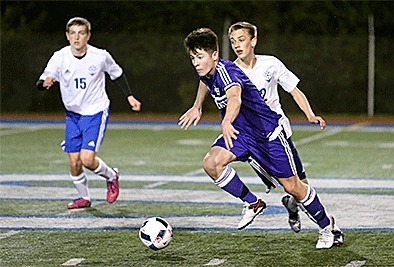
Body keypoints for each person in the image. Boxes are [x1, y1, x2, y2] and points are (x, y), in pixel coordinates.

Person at [179, 27, 338, 249]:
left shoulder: (229, 71)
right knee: (211, 163)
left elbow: (235, 97)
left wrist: (226, 121)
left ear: (214, 55)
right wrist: (197, 107)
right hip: (242, 134)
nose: (196, 62)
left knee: (294, 187)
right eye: (193, 58)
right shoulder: (205, 70)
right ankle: (252, 203)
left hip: (267, 135)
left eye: (200, 57)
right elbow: (204, 82)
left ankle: (326, 227)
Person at [227, 21, 343, 246]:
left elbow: (293, 90)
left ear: (254, 41)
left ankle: (318, 219)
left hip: (278, 133)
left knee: (300, 186)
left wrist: (310, 114)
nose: (237, 45)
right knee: (295, 188)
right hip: (255, 141)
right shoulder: (231, 71)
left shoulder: (271, 64)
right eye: (233, 42)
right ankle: (328, 226)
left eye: (241, 40)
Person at [36, 17, 141, 209]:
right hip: (72, 115)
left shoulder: (100, 56)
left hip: (95, 112)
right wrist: (45, 83)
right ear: (67, 36)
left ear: (88, 36)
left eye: (81, 33)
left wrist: (130, 96)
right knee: (74, 161)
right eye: (73, 33)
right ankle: (84, 198)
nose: (77, 38)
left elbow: (117, 74)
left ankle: (112, 176)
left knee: (87, 160)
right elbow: (40, 82)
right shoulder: (59, 57)